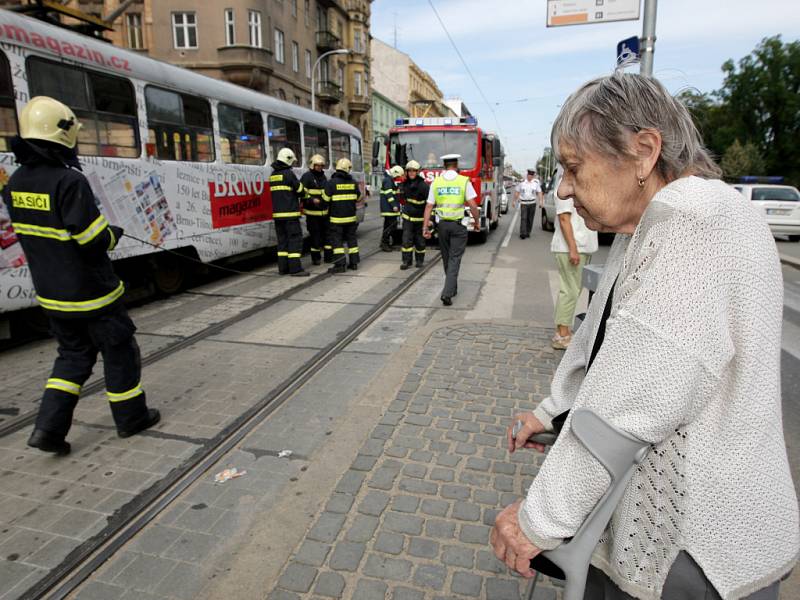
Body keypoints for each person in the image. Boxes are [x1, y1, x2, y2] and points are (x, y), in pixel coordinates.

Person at [490, 73, 798, 599]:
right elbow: (605, 344)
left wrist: (538, 520)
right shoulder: (652, 225)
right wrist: (551, 411)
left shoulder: (695, 225)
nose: (563, 188)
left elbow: (632, 400)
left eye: (572, 167)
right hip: (672, 537)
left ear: (644, 152)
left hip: (693, 548)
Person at [3, 96, 159, 455]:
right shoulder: (68, 181)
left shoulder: (16, 183)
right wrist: (113, 233)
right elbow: (91, 240)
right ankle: (131, 418)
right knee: (120, 352)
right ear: (62, 135)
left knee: (71, 359)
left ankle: (48, 430)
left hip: (52, 296)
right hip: (93, 294)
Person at [550, 166, 598, 350]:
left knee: (573, 290)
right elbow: (564, 219)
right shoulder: (564, 187)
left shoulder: (577, 185)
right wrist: (573, 249)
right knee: (570, 290)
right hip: (571, 247)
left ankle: (563, 330)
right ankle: (562, 334)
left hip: (580, 246)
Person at [423, 154, 480, 305]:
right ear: (456, 165)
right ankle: (447, 293)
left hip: (441, 226)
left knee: (447, 258)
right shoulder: (463, 181)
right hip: (458, 226)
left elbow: (429, 205)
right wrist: (476, 222)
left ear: (444, 166)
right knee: (455, 259)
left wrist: (425, 226)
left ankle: (452, 288)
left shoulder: (436, 182)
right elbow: (473, 205)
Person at [270, 147, 309, 277]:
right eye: (292, 161)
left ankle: (283, 268)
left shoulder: (273, 175)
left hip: (277, 216)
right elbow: (299, 190)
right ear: (287, 160)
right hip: (290, 215)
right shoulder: (288, 174)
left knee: (282, 243)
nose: (292, 164)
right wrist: (306, 194)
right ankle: (295, 269)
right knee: (294, 240)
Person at [324, 157, 360, 273]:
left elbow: (325, 200)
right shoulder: (353, 183)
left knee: (337, 242)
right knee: (352, 240)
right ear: (348, 169)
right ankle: (354, 263)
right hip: (351, 219)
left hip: (336, 220)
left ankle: (340, 265)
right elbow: (358, 198)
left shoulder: (331, 183)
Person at [399, 159, 429, 270]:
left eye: (414, 171)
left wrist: (429, 219)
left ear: (417, 172)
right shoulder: (404, 185)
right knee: (406, 241)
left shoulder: (424, 186)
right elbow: (401, 199)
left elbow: (430, 204)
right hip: (408, 219)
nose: (411, 173)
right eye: (409, 171)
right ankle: (406, 261)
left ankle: (420, 261)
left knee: (420, 242)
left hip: (420, 219)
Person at [300, 154, 329, 265]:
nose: (320, 167)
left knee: (327, 237)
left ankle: (328, 257)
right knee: (315, 237)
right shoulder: (307, 177)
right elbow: (302, 193)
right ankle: (316, 258)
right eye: (317, 166)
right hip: (312, 214)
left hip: (324, 213)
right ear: (313, 165)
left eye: (321, 166)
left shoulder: (323, 177)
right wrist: (311, 200)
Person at [379, 165, 404, 252]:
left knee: (389, 226)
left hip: (389, 209)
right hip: (389, 209)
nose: (398, 177)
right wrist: (394, 205)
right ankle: (384, 243)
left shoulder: (389, 180)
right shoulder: (388, 181)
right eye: (397, 176)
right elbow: (389, 195)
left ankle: (385, 243)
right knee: (390, 227)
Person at [513, 168, 543, 239]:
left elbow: (539, 192)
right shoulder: (522, 183)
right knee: (523, 218)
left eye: (531, 175)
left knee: (530, 219)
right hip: (524, 203)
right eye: (529, 175)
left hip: (532, 203)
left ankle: (528, 231)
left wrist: (541, 201)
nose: (530, 176)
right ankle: (522, 233)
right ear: (527, 175)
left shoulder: (535, 184)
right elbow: (517, 192)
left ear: (533, 176)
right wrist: (514, 201)